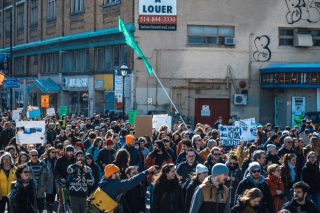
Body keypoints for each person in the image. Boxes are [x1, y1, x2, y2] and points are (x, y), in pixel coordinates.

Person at [42, 147, 58, 213]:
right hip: (48, 181)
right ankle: (47, 210)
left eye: (55, 152)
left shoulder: (57, 160)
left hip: (55, 181)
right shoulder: (44, 160)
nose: (54, 154)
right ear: (49, 153)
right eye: (52, 152)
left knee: (53, 197)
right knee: (47, 197)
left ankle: (50, 210)